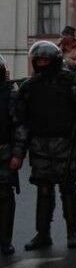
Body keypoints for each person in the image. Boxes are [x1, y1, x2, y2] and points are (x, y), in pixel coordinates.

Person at [13, 41, 76, 251]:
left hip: (66, 142)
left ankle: (72, 232)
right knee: (44, 190)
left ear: (54, 60)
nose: (42, 63)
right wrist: (19, 153)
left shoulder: (73, 82)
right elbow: (22, 122)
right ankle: (43, 233)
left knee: (68, 189)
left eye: (46, 60)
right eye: (39, 60)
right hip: (39, 145)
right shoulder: (29, 87)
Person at [0, 56, 16, 255]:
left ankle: (5, 240)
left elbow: (17, 126)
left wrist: (18, 153)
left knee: (4, 195)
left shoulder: (10, 95)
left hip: (3, 150)